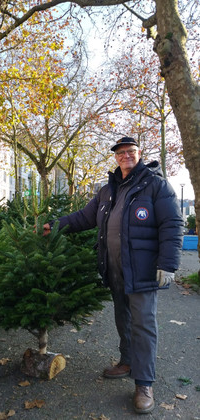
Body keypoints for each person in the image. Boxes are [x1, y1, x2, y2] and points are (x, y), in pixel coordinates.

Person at [43, 136, 184, 414]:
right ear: (116, 157)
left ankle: (144, 384)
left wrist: (168, 264)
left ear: (139, 153)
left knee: (143, 325)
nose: (125, 156)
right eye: (120, 153)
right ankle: (127, 361)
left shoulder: (155, 185)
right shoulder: (108, 190)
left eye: (130, 151)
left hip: (143, 271)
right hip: (116, 269)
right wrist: (55, 226)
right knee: (123, 317)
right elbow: (84, 217)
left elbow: (173, 223)